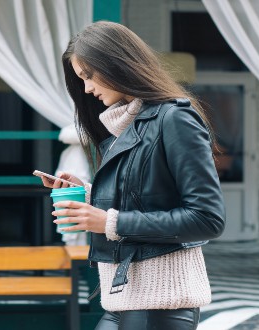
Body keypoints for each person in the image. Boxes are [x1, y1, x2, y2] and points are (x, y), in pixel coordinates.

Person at [38, 21, 225, 329]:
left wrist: (108, 222)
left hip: (160, 304)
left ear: (115, 64)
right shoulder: (124, 127)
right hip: (121, 301)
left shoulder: (174, 119)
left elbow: (207, 219)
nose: (86, 88)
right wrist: (87, 194)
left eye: (87, 75)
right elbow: (147, 196)